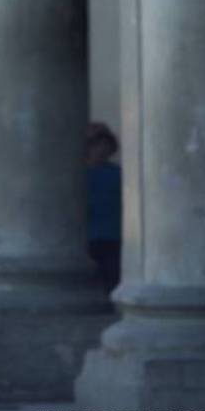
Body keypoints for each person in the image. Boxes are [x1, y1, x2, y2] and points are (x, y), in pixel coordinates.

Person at [85, 121, 122, 295]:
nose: (101, 149)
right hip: (88, 238)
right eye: (95, 145)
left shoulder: (118, 174)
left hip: (114, 237)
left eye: (105, 144)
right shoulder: (77, 175)